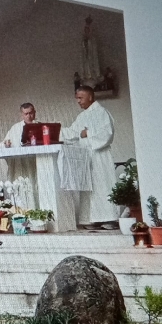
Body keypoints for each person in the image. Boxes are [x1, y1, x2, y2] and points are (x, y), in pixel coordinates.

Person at [60, 85, 116, 228]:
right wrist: (52, 130)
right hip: (87, 157)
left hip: (99, 156)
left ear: (90, 97)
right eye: (77, 98)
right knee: (89, 188)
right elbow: (72, 132)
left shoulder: (102, 112)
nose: (78, 101)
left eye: (80, 98)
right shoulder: (82, 116)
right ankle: (91, 219)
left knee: (102, 186)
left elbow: (107, 134)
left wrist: (88, 134)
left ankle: (108, 218)